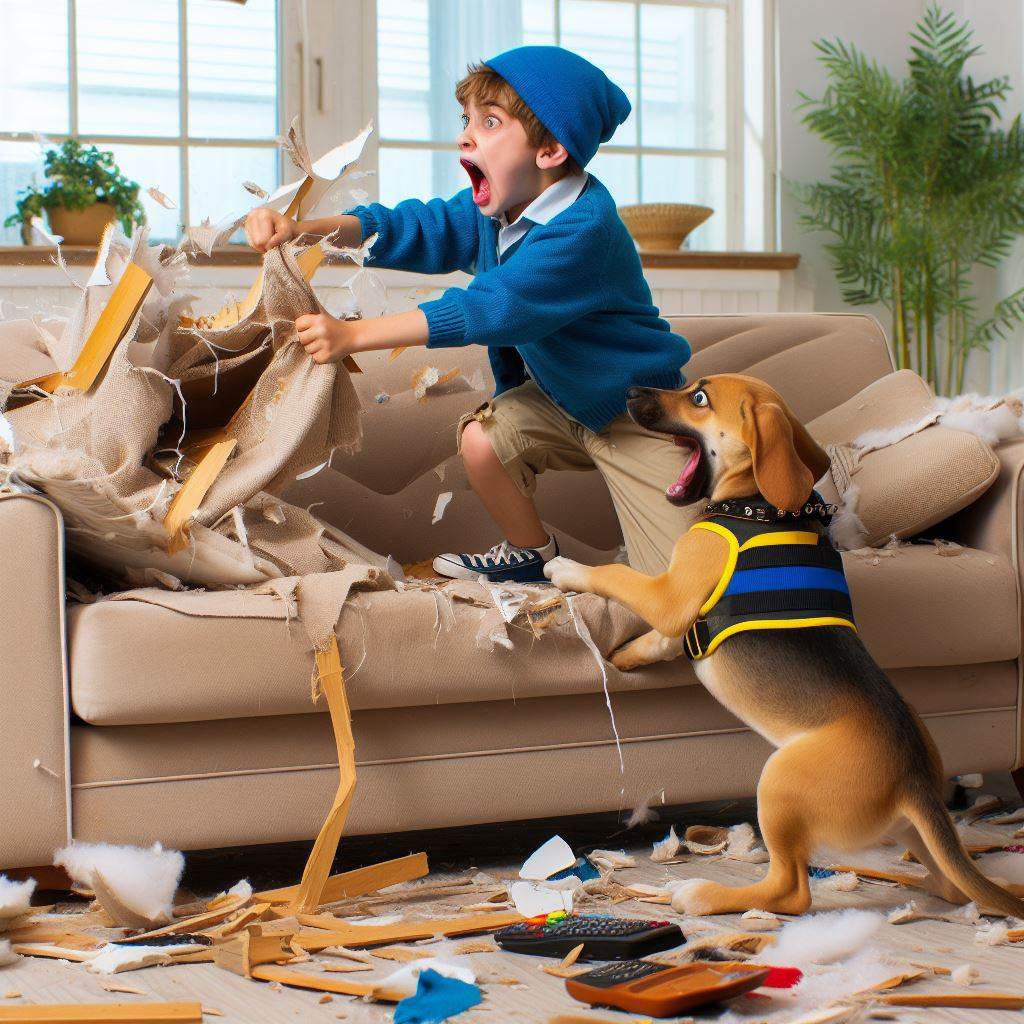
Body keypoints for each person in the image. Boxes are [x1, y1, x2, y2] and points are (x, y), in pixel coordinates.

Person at [245, 45, 692, 583]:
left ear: (550, 148)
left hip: (633, 413)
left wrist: (353, 335)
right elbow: (412, 226)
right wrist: (302, 231)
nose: (465, 136)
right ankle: (532, 555)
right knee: (483, 439)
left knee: (680, 586)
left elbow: (489, 307)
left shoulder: (584, 230)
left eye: (489, 122)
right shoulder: (500, 206)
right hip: (559, 402)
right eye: (466, 120)